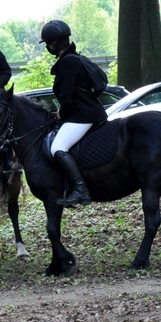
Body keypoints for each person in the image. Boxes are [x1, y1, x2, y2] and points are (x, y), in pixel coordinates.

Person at [40, 19, 107, 207]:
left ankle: (80, 190)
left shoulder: (67, 63)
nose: (47, 47)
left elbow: (68, 99)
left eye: (47, 43)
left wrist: (61, 113)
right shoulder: (73, 58)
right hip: (86, 112)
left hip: (83, 115)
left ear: (54, 43)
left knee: (57, 148)